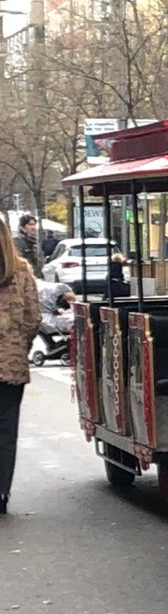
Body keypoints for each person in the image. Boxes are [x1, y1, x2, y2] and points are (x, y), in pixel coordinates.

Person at [0, 219, 42, 514]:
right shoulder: (22, 270)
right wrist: (20, 347)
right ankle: (1, 492)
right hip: (11, 365)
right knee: (6, 430)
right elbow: (33, 317)